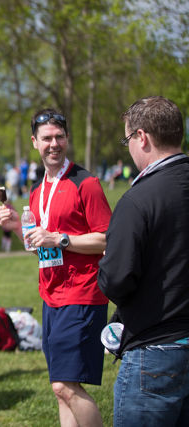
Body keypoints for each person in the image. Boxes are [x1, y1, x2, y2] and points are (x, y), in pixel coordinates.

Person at [0, 108, 112, 427]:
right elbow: (38, 247)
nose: (54, 143)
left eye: (60, 137)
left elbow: (105, 239)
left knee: (66, 386)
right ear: (34, 142)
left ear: (68, 139)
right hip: (50, 296)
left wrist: (60, 239)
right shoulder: (37, 191)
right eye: (47, 138)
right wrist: (18, 226)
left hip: (82, 294)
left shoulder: (85, 183)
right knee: (59, 389)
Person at [97, 96, 189, 427]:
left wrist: (106, 263)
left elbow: (117, 280)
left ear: (142, 137)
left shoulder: (138, 199)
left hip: (155, 348)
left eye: (128, 140)